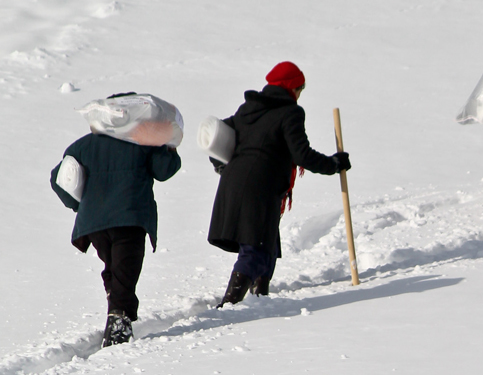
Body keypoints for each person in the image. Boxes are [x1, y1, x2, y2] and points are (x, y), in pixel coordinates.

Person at [208, 61, 351, 308]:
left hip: (234, 184)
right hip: (259, 189)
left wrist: (220, 164)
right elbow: (302, 155)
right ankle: (228, 307)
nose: (299, 94)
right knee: (255, 248)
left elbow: (218, 130)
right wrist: (334, 163)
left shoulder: (248, 108)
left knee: (268, 242)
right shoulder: (290, 112)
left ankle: (259, 298)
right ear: (290, 87)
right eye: (299, 89)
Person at [49, 92, 181, 347]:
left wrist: (79, 205)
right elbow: (164, 170)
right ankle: (119, 323)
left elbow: (60, 178)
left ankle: (117, 315)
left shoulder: (83, 145)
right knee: (125, 271)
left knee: (115, 269)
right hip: (129, 217)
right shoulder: (142, 142)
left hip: (95, 224)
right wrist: (169, 147)